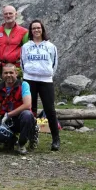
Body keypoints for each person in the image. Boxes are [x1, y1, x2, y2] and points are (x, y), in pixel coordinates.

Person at [0, 64, 36, 155]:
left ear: (16, 73)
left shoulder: (24, 85)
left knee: (27, 114)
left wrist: (9, 114)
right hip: (5, 121)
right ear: (2, 75)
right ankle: (11, 141)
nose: (8, 75)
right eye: (5, 73)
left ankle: (22, 144)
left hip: (20, 119)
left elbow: (27, 105)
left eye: (11, 72)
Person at [21, 20, 60, 151]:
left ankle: (55, 138)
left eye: (38, 28)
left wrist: (47, 74)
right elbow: (23, 63)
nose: (36, 30)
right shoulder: (26, 46)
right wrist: (29, 73)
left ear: (42, 29)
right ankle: (32, 137)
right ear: (30, 31)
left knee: (50, 109)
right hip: (29, 79)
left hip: (46, 80)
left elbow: (54, 64)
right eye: (33, 28)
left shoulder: (51, 46)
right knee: (31, 110)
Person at [0, 5, 29, 80]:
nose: (8, 16)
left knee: (18, 90)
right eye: (6, 14)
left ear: (16, 14)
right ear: (3, 15)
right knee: (0, 90)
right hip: (1, 68)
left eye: (10, 13)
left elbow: (27, 50)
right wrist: (1, 58)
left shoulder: (24, 32)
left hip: (17, 68)